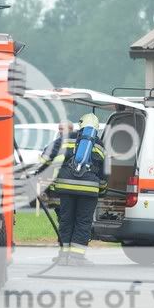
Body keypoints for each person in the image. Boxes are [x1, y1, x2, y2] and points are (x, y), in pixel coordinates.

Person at [39, 113, 107, 266]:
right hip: (89, 190)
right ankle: (77, 258)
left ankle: (63, 257)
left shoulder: (68, 138)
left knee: (66, 221)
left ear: (80, 124)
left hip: (65, 187)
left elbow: (46, 156)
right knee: (83, 222)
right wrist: (102, 190)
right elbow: (104, 173)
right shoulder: (100, 145)